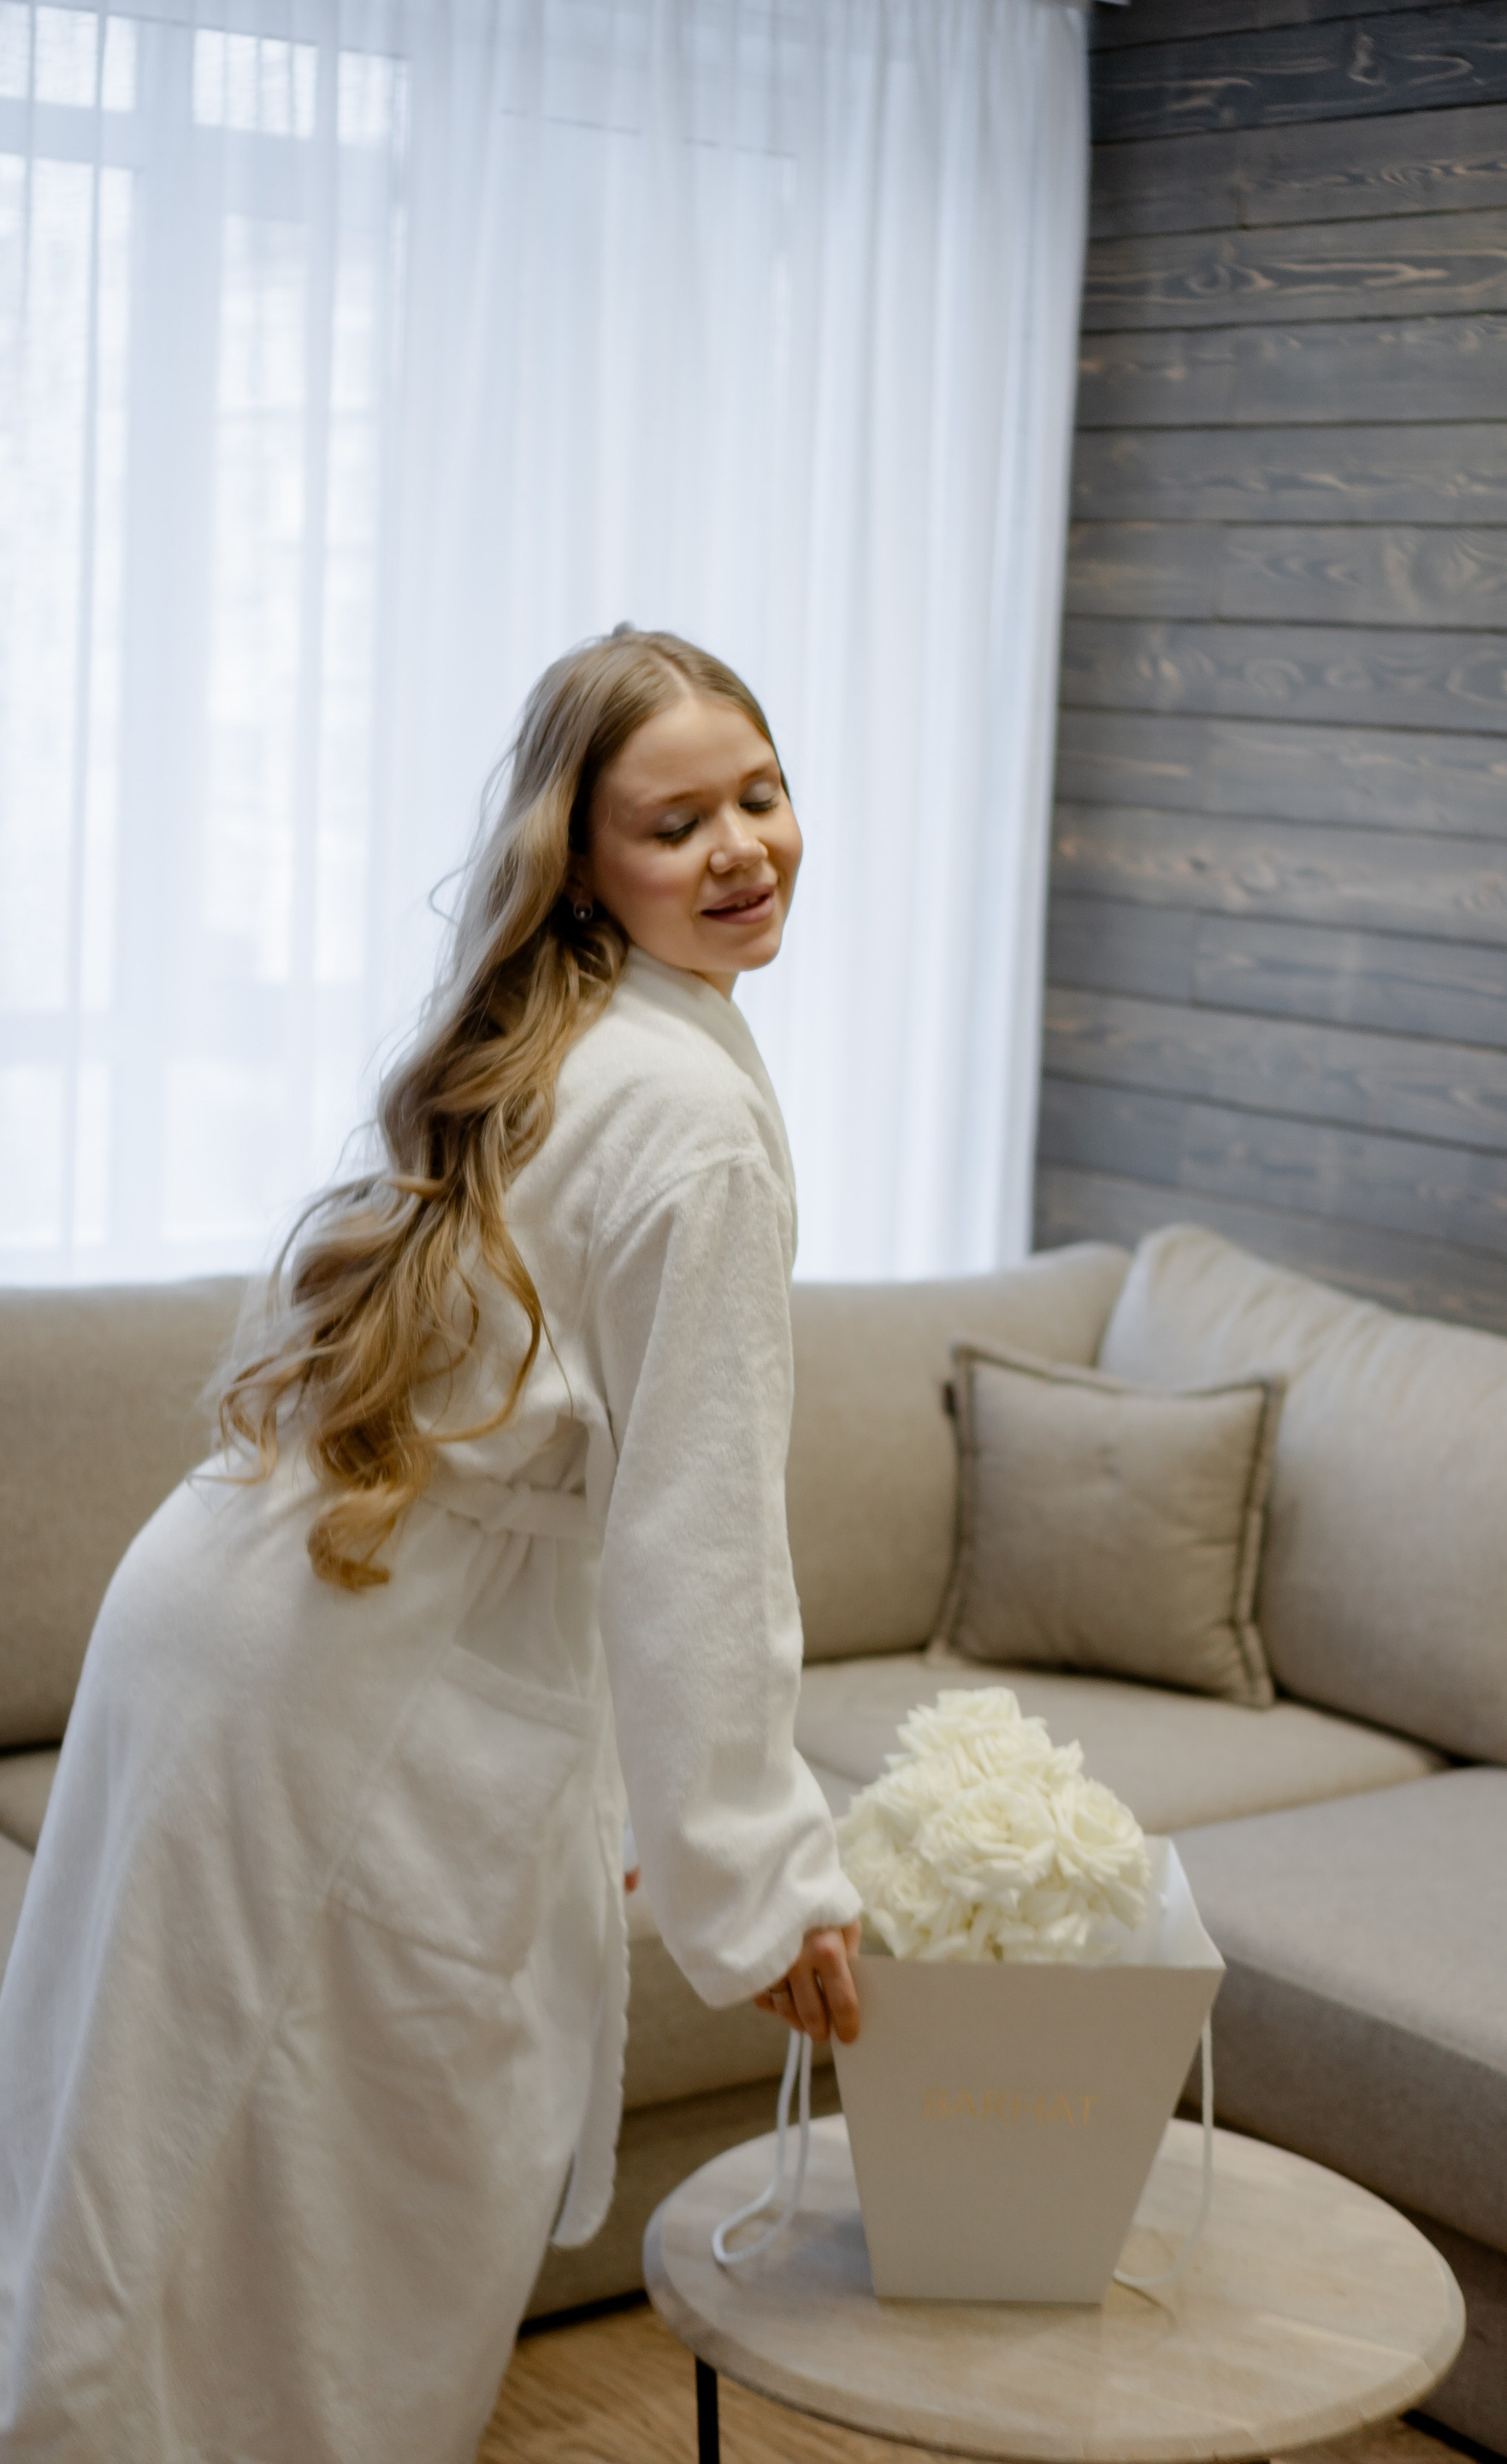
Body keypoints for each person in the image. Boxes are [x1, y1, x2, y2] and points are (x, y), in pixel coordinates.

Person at [0, 629, 863, 2463]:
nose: (741, 848)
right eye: (677, 823)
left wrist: (642, 1802)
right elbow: (699, 1538)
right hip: (344, 1675)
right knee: (312, 2209)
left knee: (138, 2168)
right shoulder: (691, 1114)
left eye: (762, 794)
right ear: (585, 862)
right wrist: (763, 1877)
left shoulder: (577, 1031)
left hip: (239, 1606)